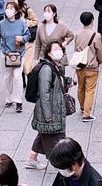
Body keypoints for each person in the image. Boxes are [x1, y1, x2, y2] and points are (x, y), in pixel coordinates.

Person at [26, 41, 68, 170]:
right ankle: (62, 167)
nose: (58, 50)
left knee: (44, 133)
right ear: (49, 53)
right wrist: (48, 115)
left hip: (54, 109)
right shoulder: (46, 69)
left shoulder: (55, 66)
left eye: (60, 48)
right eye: (55, 49)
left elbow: (54, 87)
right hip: (49, 111)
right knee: (56, 138)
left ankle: (31, 159)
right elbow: (44, 92)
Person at [0, 1, 30, 112]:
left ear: (16, 11)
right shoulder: (1, 24)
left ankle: (18, 101)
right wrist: (0, 49)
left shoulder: (22, 23)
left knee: (17, 76)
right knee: (6, 77)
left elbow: (28, 35)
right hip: (6, 54)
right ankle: (8, 99)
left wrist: (22, 39)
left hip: (19, 54)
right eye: (7, 8)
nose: (9, 10)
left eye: (11, 8)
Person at [73, 12, 102, 122]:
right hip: (91, 65)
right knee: (90, 90)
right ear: (92, 20)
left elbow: (76, 49)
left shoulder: (77, 34)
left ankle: (82, 107)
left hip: (80, 65)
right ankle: (87, 114)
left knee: (80, 88)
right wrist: (101, 61)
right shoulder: (96, 35)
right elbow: (99, 51)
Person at [9, 0, 39, 84]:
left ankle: (31, 82)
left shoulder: (27, 10)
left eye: (13, 0)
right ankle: (22, 82)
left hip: (27, 42)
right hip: (16, 41)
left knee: (27, 64)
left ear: (19, 0)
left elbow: (35, 21)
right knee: (18, 62)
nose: (11, 1)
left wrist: (25, 22)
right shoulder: (11, 10)